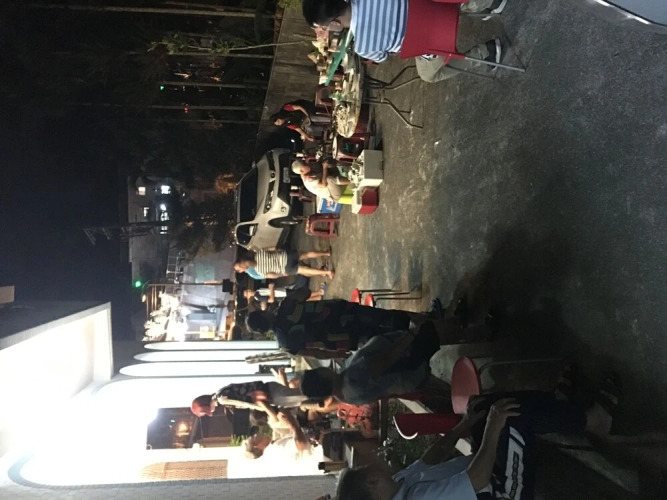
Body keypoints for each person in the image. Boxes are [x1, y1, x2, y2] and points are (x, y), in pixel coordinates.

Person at [333, 389, 615, 499]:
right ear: (372, 483)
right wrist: (493, 426)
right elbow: (476, 479)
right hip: (503, 491)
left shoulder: (399, 484)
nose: (374, 464)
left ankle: (563, 403)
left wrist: (465, 423)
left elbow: (433, 456)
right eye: (367, 469)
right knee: (510, 420)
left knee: (485, 405)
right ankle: (595, 421)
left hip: (486, 471)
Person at [301, 0, 507, 83]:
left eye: (324, 28)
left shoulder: (363, 46)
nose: (326, 32)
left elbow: (386, 57)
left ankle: (486, 52)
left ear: (335, 23)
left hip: (434, 41)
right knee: (440, 5)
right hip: (438, 7)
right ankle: (487, 2)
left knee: (428, 75)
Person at [299, 322, 451, 405]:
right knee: (443, 330)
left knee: (443, 333)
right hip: (411, 358)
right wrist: (412, 332)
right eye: (318, 370)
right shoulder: (353, 378)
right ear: (322, 376)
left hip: (408, 375)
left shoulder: (344, 396)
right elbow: (387, 359)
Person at [246, 287, 414, 359]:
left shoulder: (285, 344)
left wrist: (337, 354)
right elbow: (306, 292)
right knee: (385, 317)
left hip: (341, 338)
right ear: (263, 313)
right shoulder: (286, 306)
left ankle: (415, 337)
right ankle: (421, 320)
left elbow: (316, 353)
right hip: (343, 312)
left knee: (384, 340)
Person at [190, 380, 308, 417]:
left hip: (271, 394)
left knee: (305, 397)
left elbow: (248, 404)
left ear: (205, 407)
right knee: (303, 395)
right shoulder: (220, 393)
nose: (209, 414)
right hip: (268, 388)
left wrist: (270, 412)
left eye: (204, 413)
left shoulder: (222, 399)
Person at [233, 249, 334, 280]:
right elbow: (272, 249)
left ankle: (327, 272)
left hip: (285, 268)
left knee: (304, 270)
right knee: (306, 254)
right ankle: (326, 253)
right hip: (286, 256)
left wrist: (282, 274)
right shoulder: (258, 254)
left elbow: (272, 275)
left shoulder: (258, 272)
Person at [243, 282, 325, 312]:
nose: (249, 291)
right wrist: (271, 288)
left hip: (281, 293)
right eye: (247, 293)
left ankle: (317, 297)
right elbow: (271, 300)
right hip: (281, 295)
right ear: (248, 297)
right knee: (299, 294)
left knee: (299, 297)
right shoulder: (257, 296)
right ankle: (319, 292)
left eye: (247, 290)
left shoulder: (257, 291)